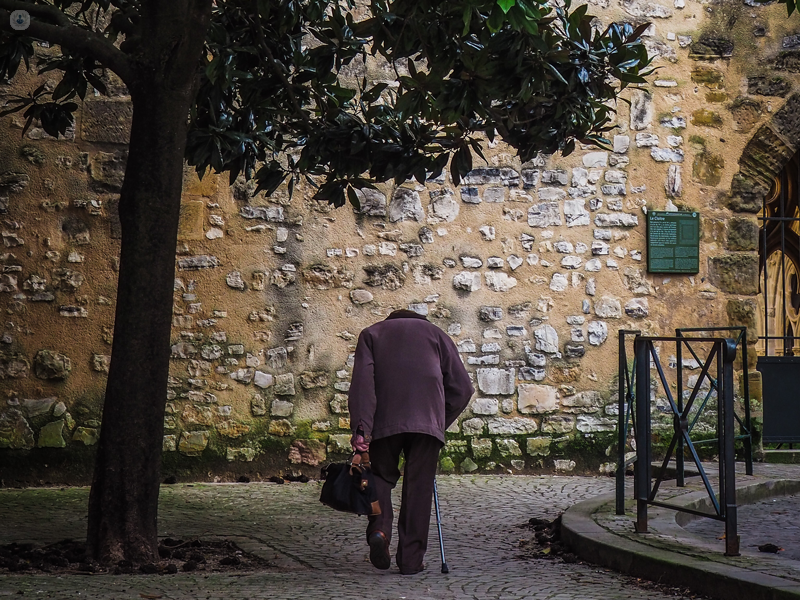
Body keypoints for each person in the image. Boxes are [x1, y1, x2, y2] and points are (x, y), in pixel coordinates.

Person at [348, 308, 474, 575]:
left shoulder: (371, 334)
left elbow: (362, 385)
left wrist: (362, 429)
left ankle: (380, 529)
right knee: (419, 488)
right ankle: (410, 561)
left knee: (380, 477)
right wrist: (440, 420)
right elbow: (463, 388)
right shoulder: (437, 335)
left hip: (385, 422)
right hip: (427, 423)